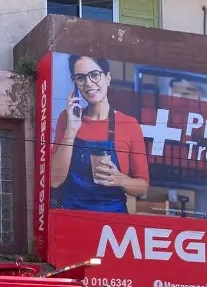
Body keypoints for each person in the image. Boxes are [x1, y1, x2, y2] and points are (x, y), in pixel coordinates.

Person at [49, 55, 150, 213]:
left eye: (95, 75)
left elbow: (143, 187)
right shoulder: (66, 118)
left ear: (107, 78)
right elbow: (53, 181)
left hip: (112, 223)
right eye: (80, 78)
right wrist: (71, 131)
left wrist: (120, 179)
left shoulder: (129, 125)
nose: (89, 83)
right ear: (75, 84)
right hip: (70, 219)